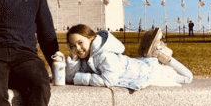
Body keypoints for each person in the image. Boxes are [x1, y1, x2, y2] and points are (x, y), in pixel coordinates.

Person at [65, 25, 193, 89]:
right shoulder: (87, 56)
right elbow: (71, 77)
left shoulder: (104, 56)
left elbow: (109, 81)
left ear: (91, 38)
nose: (77, 48)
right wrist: (73, 60)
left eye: (80, 43)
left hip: (148, 72)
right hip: (135, 67)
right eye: (72, 46)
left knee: (188, 77)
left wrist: (81, 78)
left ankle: (162, 55)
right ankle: (154, 54)